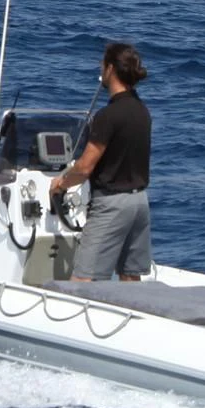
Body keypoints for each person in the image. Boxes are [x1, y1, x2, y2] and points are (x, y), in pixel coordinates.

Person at [50, 42, 152, 281]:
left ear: (110, 69)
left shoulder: (107, 116)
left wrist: (60, 184)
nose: (100, 68)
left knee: (83, 280)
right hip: (139, 203)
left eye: (102, 64)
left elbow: (85, 167)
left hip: (112, 206)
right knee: (130, 276)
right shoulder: (142, 111)